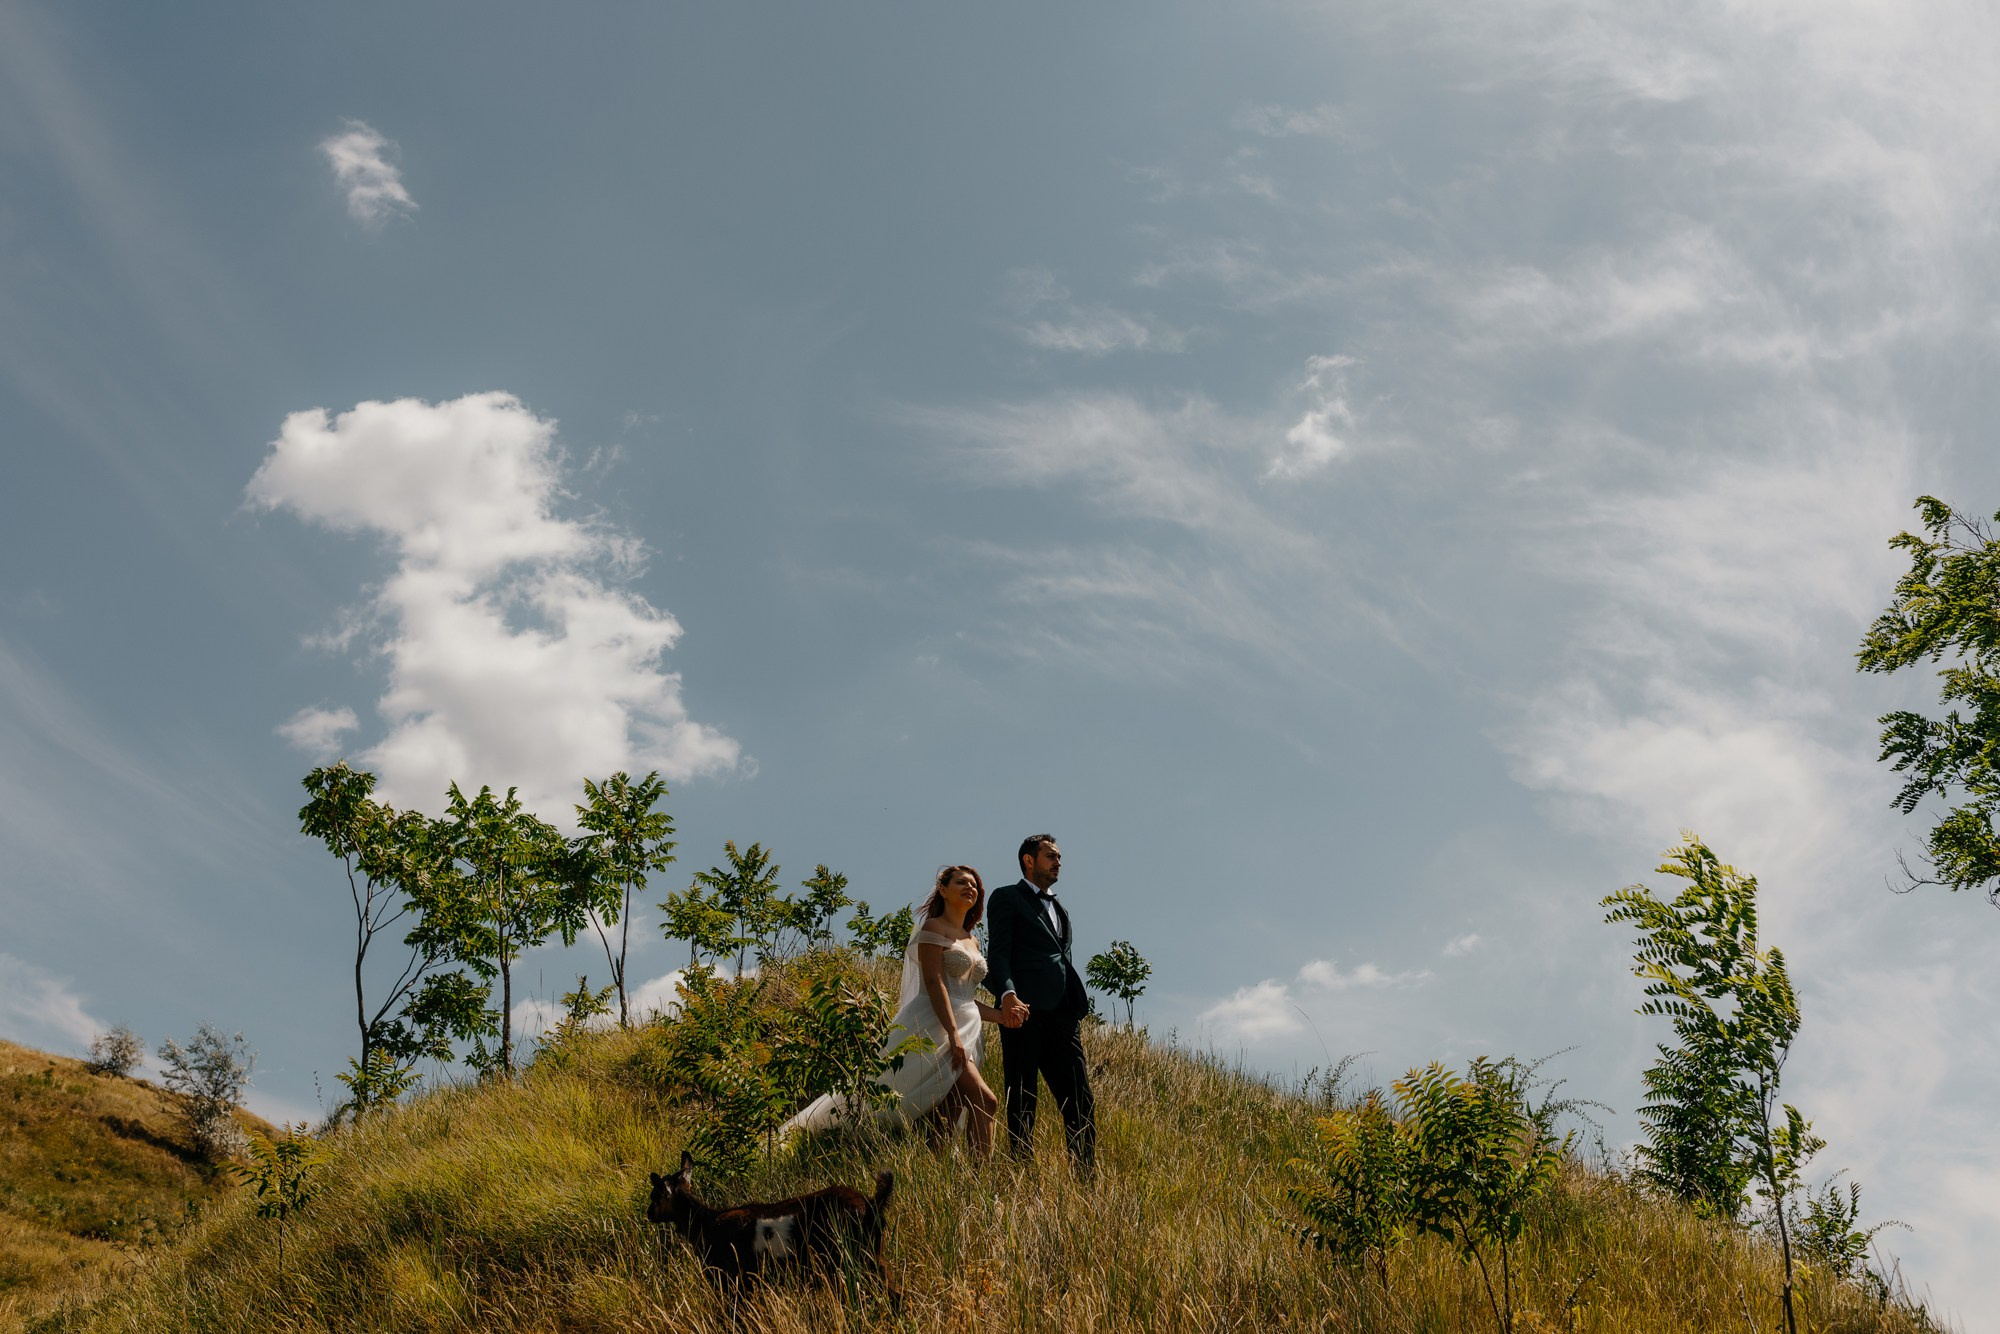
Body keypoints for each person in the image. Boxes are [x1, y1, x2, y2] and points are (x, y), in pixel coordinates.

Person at [780, 865, 1020, 1154]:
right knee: (986, 1101)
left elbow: (965, 998)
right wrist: (952, 1034)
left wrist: (1002, 1017)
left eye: (974, 885)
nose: (971, 888)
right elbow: (933, 983)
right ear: (943, 889)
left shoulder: (972, 940)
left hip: (970, 1032)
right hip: (937, 1028)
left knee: (949, 1111)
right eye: (961, 882)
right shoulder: (933, 928)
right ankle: (984, 1182)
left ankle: (947, 1181)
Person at [986, 833, 1095, 1173]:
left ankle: (1085, 1176)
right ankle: (1022, 1172)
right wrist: (1007, 995)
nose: (1058, 862)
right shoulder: (1007, 898)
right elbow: (999, 953)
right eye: (1050, 855)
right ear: (1028, 861)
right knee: (1021, 1096)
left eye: (1059, 856)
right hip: (1022, 1012)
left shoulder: (1060, 908)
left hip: (1063, 1016)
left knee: (1080, 1098)